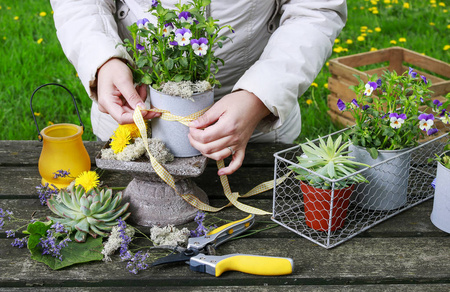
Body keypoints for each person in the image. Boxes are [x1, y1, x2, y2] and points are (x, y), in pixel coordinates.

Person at [50, 0, 347, 175]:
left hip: (255, 132)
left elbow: (315, 9)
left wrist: (260, 94)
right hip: (132, 125)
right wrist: (103, 59)